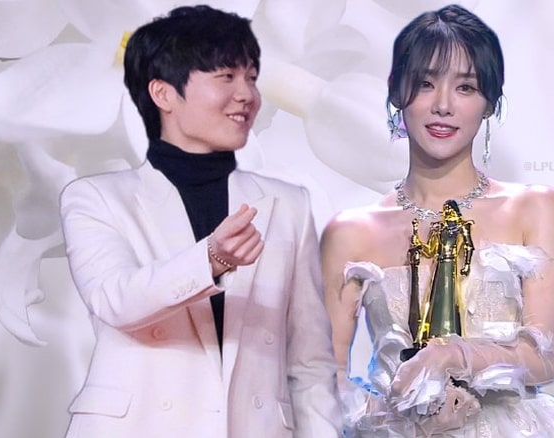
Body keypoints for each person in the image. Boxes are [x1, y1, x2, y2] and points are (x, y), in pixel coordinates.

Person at [59, 5, 342, 437]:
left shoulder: (289, 204)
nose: (247, 94)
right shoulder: (96, 198)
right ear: (163, 94)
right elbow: (114, 300)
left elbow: (310, 362)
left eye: (251, 77)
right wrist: (210, 259)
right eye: (226, 76)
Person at [321, 4, 554, 437]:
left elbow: (545, 354)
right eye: (426, 84)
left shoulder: (533, 208)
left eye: (466, 87)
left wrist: (454, 356)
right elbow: (324, 377)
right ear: (396, 92)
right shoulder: (351, 232)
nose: (443, 105)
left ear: (489, 103)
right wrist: (403, 420)